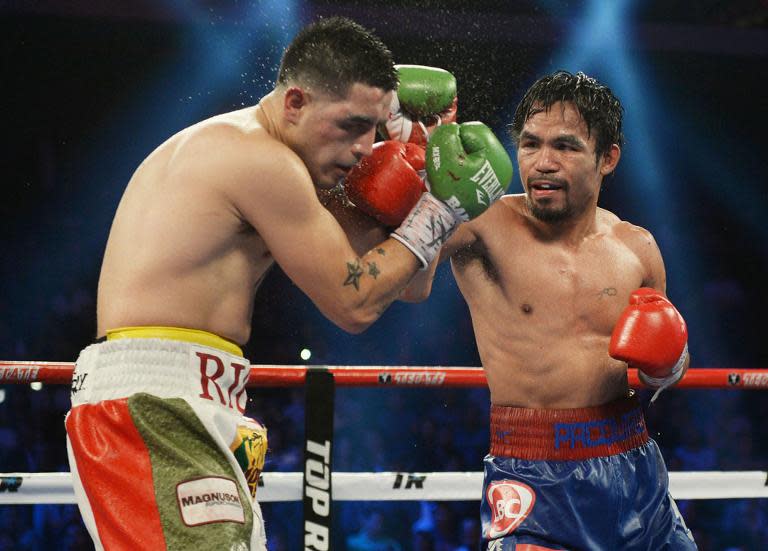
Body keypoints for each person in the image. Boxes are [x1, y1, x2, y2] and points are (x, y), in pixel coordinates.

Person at [64, 16, 512, 551]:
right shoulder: (258, 159)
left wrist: (420, 172)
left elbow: (404, 285)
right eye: (350, 126)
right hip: (154, 402)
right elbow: (355, 304)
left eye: (375, 129)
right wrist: (439, 211)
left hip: (196, 397)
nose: (364, 148)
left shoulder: (291, 170)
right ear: (295, 102)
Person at [405, 70, 697, 549]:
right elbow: (408, 284)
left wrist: (665, 367)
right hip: (532, 476)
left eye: (565, 146)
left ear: (608, 158)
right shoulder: (483, 223)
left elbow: (661, 379)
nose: (543, 162)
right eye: (530, 144)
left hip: (635, 466)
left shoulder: (637, 247)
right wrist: (424, 190)